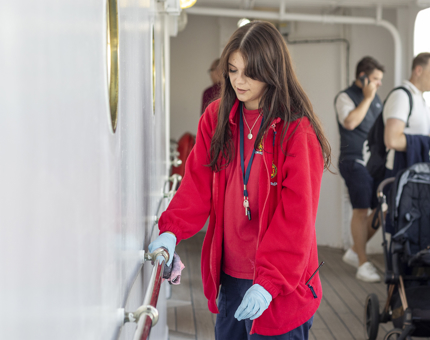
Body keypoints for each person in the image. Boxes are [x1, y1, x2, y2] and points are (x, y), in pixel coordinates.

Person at [149, 21, 331, 339]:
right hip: (231, 277)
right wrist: (171, 232)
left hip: (280, 284)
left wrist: (268, 284)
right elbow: (197, 182)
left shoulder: (295, 131)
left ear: (273, 71)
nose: (238, 81)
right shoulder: (217, 117)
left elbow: (296, 219)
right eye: (232, 70)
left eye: (250, 72)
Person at [335, 56, 385, 282]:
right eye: (375, 79)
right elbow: (350, 122)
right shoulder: (345, 97)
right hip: (353, 161)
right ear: (363, 78)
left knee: (384, 207)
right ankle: (363, 263)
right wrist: (367, 98)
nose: (379, 84)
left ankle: (356, 250)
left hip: (373, 162)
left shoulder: (377, 100)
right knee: (361, 209)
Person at [383, 52, 430, 175]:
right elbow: (392, 140)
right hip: (399, 171)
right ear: (419, 70)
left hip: (413, 170)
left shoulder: (420, 98)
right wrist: (427, 140)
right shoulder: (401, 96)